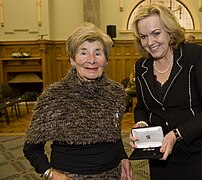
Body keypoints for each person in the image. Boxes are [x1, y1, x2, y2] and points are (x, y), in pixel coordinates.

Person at [129, 3, 202, 180]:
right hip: (162, 155)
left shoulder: (194, 56)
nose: (150, 42)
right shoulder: (141, 66)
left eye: (156, 33)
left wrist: (176, 134)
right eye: (143, 37)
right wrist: (141, 125)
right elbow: (142, 107)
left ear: (170, 31)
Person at [23, 22, 132, 180]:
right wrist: (50, 173)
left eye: (98, 53)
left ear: (106, 60)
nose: (91, 60)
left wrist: (123, 156)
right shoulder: (53, 96)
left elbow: (113, 136)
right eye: (83, 52)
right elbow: (31, 148)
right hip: (68, 177)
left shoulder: (116, 93)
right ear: (72, 60)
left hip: (112, 174)